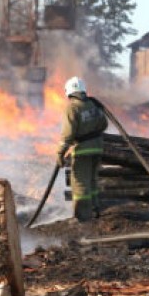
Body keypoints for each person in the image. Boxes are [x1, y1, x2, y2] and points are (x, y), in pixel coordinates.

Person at [56, 76, 109, 222]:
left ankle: (82, 217)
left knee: (79, 183)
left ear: (69, 93)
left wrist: (60, 153)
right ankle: (95, 209)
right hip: (98, 148)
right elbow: (104, 124)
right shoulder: (93, 104)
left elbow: (68, 134)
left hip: (82, 150)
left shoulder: (72, 108)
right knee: (92, 179)